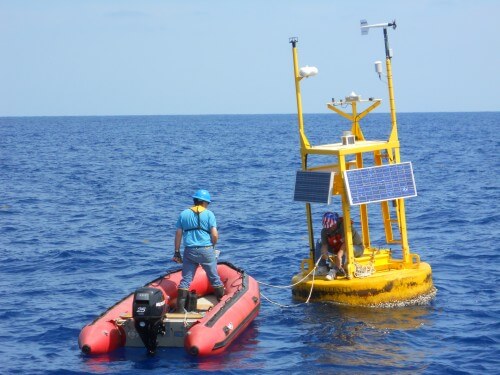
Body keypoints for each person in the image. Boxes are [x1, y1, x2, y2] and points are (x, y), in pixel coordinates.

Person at [173, 189, 225, 312]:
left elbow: (178, 233)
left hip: (189, 251)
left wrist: (176, 251)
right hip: (206, 250)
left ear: (195, 200)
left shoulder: (184, 214)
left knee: (186, 279)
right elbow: (215, 235)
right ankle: (221, 304)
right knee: (214, 277)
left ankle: (180, 309)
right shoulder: (209, 214)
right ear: (205, 203)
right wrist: (212, 245)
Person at [316, 211, 364, 278]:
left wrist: (339, 255)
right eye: (327, 227)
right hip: (337, 247)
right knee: (319, 242)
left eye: (331, 226)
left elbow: (346, 243)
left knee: (347, 249)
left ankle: (336, 270)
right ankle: (322, 267)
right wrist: (324, 252)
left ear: (335, 223)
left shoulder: (344, 226)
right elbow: (324, 245)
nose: (329, 228)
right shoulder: (325, 231)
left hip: (356, 247)